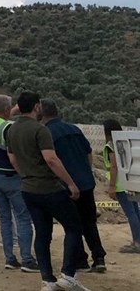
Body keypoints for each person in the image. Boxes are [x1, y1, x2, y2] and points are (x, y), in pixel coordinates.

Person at [6, 92, 87, 291]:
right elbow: (51, 159)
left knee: (42, 233)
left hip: (28, 189)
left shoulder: (12, 130)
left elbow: (12, 158)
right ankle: (68, 275)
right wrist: (70, 184)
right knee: (74, 227)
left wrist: (25, 175)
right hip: (49, 188)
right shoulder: (40, 130)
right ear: (36, 107)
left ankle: (47, 280)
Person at [41, 99, 105, 273]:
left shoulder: (46, 133)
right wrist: (86, 172)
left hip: (66, 185)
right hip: (86, 182)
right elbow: (88, 153)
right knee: (89, 222)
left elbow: (51, 160)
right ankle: (99, 258)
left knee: (72, 224)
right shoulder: (74, 129)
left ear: (41, 114)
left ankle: (80, 260)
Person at [0, 94, 37, 272]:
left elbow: (1, 116)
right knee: (23, 218)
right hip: (11, 177)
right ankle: (27, 259)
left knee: (5, 219)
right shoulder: (9, 128)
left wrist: (14, 108)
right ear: (7, 110)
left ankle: (10, 258)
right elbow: (13, 157)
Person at [103, 119, 140, 254]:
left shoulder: (110, 146)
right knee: (135, 212)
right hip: (130, 182)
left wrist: (111, 186)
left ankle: (137, 242)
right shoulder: (124, 143)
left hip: (120, 185)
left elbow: (113, 166)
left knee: (131, 214)